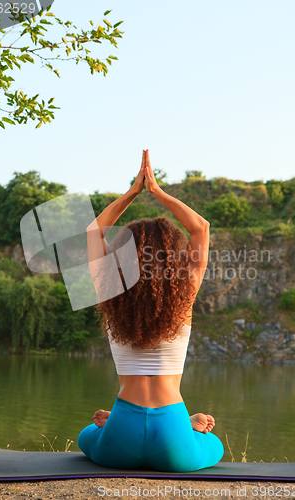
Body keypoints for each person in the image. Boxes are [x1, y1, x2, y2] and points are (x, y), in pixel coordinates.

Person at [77, 150, 224, 472]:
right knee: (214, 446)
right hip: (172, 436)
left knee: (87, 435)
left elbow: (93, 232)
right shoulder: (183, 296)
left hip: (122, 434)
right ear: (173, 256)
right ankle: (188, 425)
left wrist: (132, 192)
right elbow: (200, 228)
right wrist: (157, 191)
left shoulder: (111, 293)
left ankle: (112, 422)